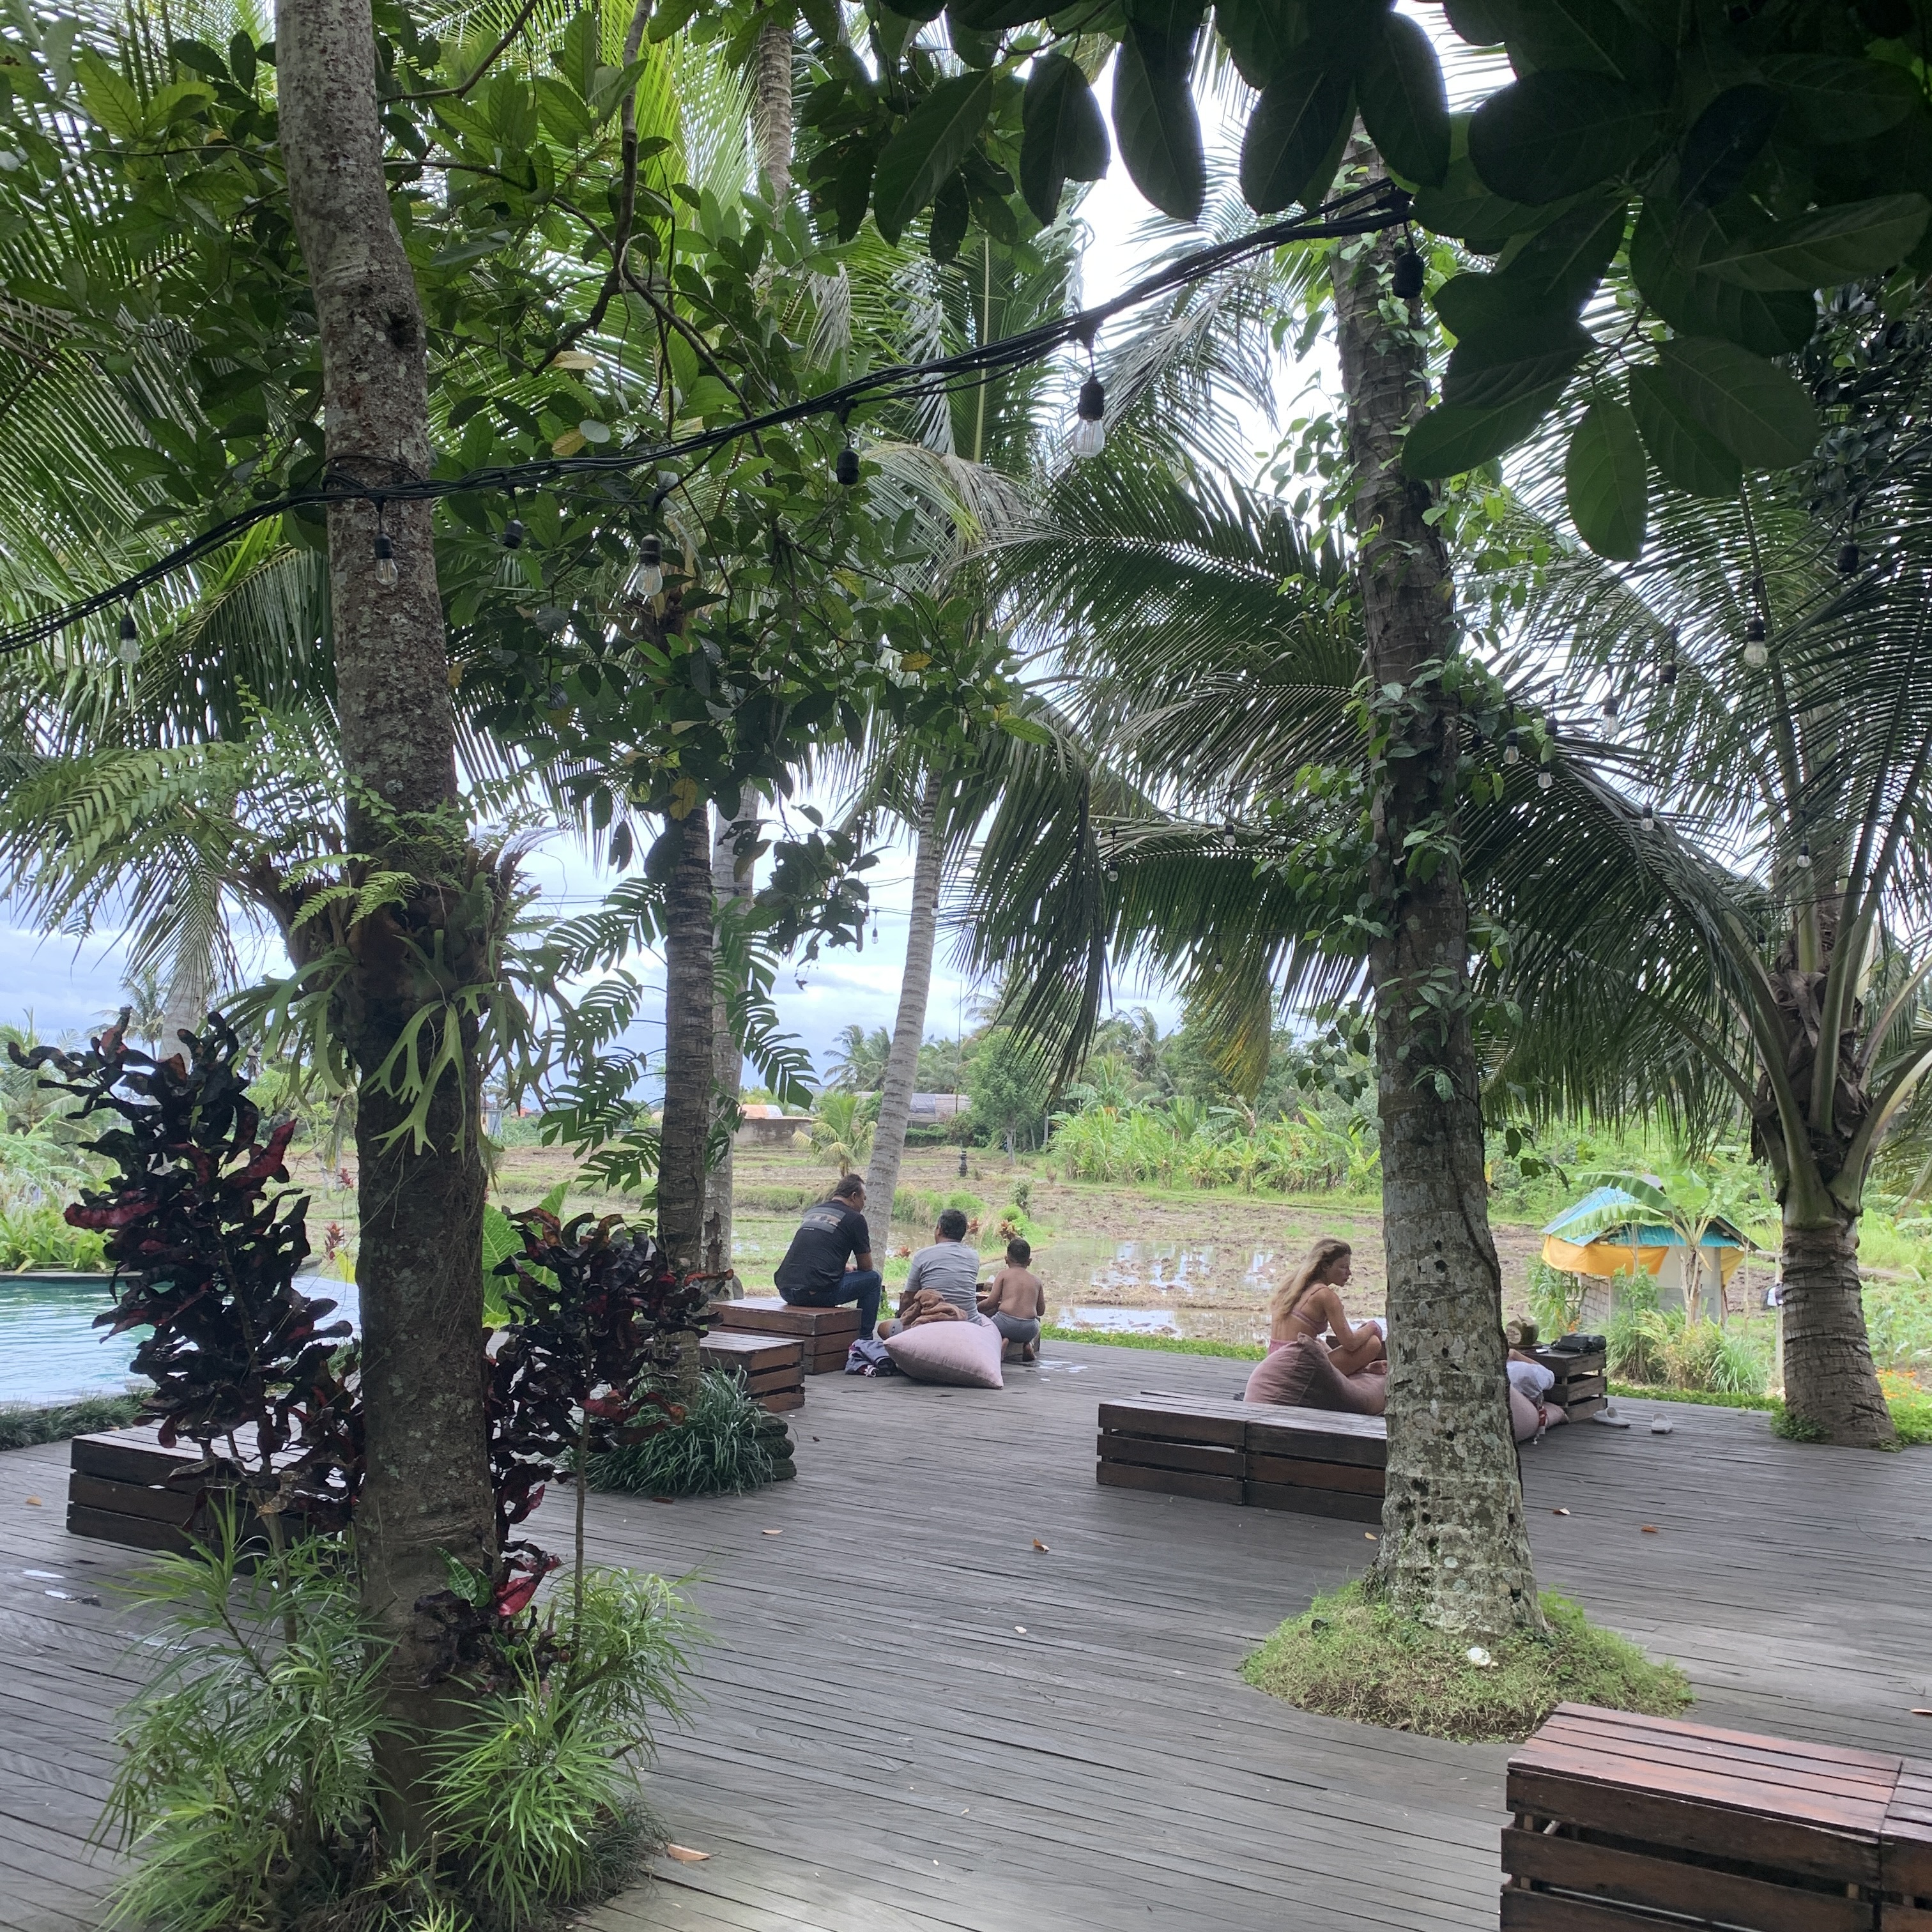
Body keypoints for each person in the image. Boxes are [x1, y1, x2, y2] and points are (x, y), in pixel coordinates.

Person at [774, 1172, 882, 1337]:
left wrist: (842, 1267)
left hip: (786, 1291)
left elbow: (816, 1253)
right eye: (864, 1198)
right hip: (815, 1294)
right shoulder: (856, 1219)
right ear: (854, 1196)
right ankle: (864, 1339)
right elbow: (866, 1267)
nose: (864, 1204)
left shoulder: (814, 1211)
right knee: (873, 1279)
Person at [1267, 1236, 1386, 1377]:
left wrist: (1365, 1367)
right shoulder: (1324, 1294)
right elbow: (1350, 1343)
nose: (1349, 1273)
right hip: (1296, 1367)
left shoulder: (1291, 1287)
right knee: (1373, 1343)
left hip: (1275, 1361)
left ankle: (1364, 1370)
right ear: (1325, 1266)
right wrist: (1373, 1327)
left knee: (1318, 1342)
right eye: (1343, 1267)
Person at [890, 1206, 981, 1329]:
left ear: (939, 1229)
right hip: (969, 1322)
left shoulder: (922, 1255)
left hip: (931, 1323)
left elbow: (907, 1299)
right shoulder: (974, 1256)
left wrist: (901, 1318)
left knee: (883, 1327)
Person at [979, 1236, 1046, 1363]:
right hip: (1028, 1329)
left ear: (1006, 1259)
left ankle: (1001, 1341)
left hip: (1004, 1324)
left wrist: (976, 1308)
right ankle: (1029, 1344)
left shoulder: (1003, 1275)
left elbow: (991, 1303)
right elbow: (1041, 1311)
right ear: (1029, 1261)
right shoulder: (1037, 1281)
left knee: (989, 1324)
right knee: (1037, 1323)